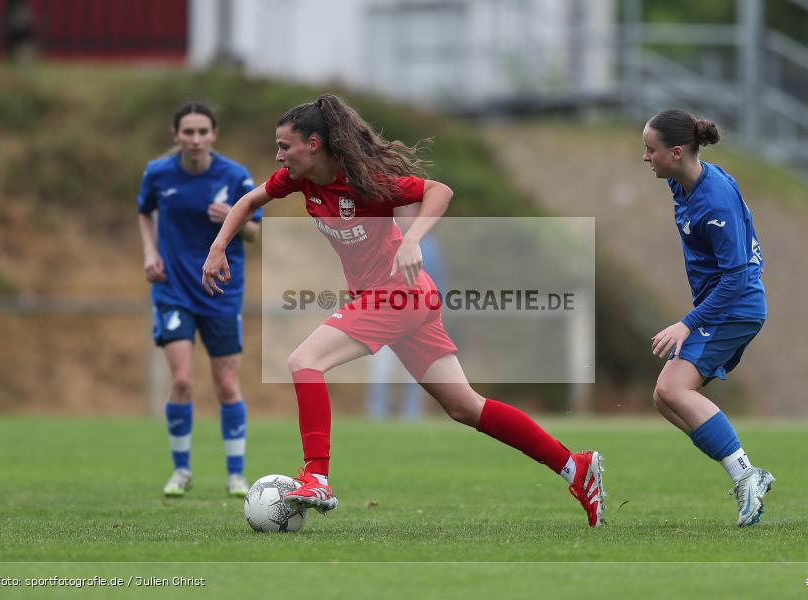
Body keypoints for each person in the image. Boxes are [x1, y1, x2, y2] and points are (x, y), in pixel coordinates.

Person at [201, 94, 605, 527]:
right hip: (403, 299)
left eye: (285, 146)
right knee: (466, 407)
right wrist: (218, 247)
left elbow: (439, 191)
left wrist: (412, 238)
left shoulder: (365, 181)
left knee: (304, 361)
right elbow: (247, 202)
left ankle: (316, 475)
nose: (278, 155)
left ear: (314, 144)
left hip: (397, 295)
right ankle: (575, 468)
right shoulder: (297, 179)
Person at [642, 109, 774, 527]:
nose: (646, 158)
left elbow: (736, 279)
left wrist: (687, 321)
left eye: (651, 150)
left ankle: (747, 475)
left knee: (673, 389)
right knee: (665, 396)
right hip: (723, 306)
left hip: (735, 308)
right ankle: (746, 474)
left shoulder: (713, 198)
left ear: (676, 152)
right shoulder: (685, 183)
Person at [138, 101, 263, 498]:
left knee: (227, 384)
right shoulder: (158, 173)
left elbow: (256, 233)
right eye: (187, 132)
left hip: (221, 291)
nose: (194, 139)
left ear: (214, 135)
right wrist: (149, 252)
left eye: (202, 132)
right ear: (175, 135)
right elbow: (145, 212)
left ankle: (236, 475)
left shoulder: (235, 176)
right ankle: (181, 471)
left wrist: (234, 218)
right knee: (181, 380)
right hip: (173, 288)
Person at [365, 233, 446, 421]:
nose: (406, 214)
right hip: (384, 318)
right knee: (381, 370)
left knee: (415, 373)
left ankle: (411, 414)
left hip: (416, 320)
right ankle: (376, 414)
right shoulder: (383, 239)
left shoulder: (429, 248)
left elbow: (437, 284)